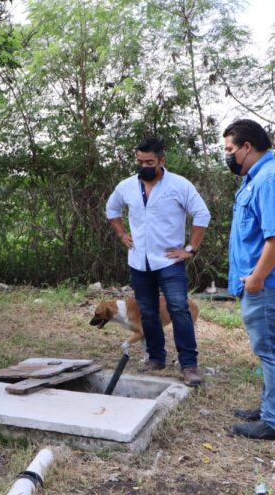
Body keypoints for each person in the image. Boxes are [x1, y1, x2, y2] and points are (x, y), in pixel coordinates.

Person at [223, 119, 275, 440]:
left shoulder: (270, 180)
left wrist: (257, 278)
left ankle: (274, 421)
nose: (227, 156)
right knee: (267, 348)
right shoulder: (255, 179)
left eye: (230, 149)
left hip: (266, 283)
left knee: (271, 350)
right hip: (259, 282)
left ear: (247, 147)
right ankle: (269, 406)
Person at [106, 137, 211, 387]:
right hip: (138, 261)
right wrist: (122, 234)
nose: (144, 165)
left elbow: (201, 214)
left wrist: (190, 249)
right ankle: (156, 358)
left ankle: (189, 365)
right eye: (140, 161)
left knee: (178, 309)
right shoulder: (127, 186)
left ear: (162, 161)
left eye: (149, 161)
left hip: (169, 261)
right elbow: (112, 210)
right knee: (148, 311)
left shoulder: (179, 185)